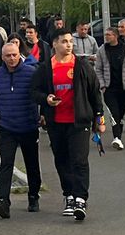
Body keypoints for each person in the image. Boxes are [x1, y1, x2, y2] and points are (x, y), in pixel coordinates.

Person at [30, 27, 105, 221]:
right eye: (64, 41)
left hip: (79, 121)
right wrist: (46, 99)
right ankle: (69, 195)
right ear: (54, 43)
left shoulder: (81, 65)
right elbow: (34, 91)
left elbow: (95, 91)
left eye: (70, 41)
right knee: (62, 160)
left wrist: (99, 117)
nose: (69, 45)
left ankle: (81, 198)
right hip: (56, 122)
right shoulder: (46, 68)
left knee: (79, 160)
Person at [0, 40, 41, 217]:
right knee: (6, 163)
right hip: (6, 127)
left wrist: (40, 114)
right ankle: (3, 201)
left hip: (28, 125)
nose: (11, 59)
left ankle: (33, 195)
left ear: (20, 55)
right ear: (2, 57)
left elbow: (40, 93)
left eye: (14, 55)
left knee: (32, 163)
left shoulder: (31, 72)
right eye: (8, 56)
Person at [96, 28, 125, 150]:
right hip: (109, 88)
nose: (106, 37)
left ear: (115, 36)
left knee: (121, 113)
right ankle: (117, 138)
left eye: (109, 35)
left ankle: (119, 137)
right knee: (114, 113)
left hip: (124, 88)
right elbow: (98, 69)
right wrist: (102, 85)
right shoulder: (102, 50)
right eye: (105, 35)